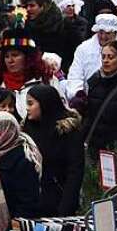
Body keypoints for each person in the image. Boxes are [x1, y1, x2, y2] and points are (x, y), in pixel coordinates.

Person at [22, 84, 84, 215]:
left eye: (31, 103)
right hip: (30, 204)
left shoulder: (67, 132)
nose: (27, 108)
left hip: (57, 202)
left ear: (44, 104)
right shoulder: (25, 130)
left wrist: (65, 209)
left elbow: (74, 172)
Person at [67, 14, 117, 84]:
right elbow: (75, 77)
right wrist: (78, 93)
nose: (103, 37)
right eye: (101, 32)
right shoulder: (83, 49)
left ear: (115, 32)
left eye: (108, 33)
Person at [23, 0, 84, 71]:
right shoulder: (28, 26)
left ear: (43, 6)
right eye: (26, 6)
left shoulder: (65, 25)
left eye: (32, 6)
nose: (28, 9)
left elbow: (76, 52)